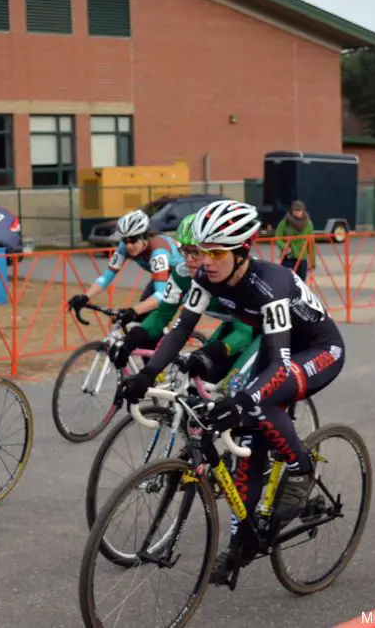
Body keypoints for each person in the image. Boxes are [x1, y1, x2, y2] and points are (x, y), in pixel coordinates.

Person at [115, 200, 345, 585]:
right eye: (202, 251)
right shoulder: (206, 278)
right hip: (278, 352)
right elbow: (179, 329)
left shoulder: (271, 285)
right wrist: (147, 375)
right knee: (247, 439)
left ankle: (300, 468)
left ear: (242, 252)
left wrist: (243, 401)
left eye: (217, 252)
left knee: (255, 403)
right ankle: (244, 542)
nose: (206, 261)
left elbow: (278, 363)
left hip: (318, 350)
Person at [109, 213, 256, 385]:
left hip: (263, 331)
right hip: (234, 325)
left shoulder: (237, 276)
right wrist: (132, 340)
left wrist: (210, 352)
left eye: (195, 252)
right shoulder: (182, 274)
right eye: (184, 251)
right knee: (198, 386)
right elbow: (162, 316)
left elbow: (245, 331)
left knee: (233, 389)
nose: (188, 259)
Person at [67, 209, 184, 333]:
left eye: (133, 240)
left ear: (144, 237)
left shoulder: (158, 252)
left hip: (183, 280)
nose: (128, 245)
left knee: (152, 321)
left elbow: (161, 295)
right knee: (138, 321)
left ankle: (167, 348)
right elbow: (106, 277)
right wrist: (85, 296)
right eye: (125, 240)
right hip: (164, 279)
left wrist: (134, 310)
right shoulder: (125, 248)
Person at [273, 200, 315, 281]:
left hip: (302, 258)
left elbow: (311, 244)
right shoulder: (285, 222)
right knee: (287, 281)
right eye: (295, 210)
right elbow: (277, 238)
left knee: (301, 283)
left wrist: (312, 261)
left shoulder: (308, 224)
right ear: (292, 211)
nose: (297, 212)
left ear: (303, 211)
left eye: (299, 210)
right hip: (288, 258)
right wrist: (285, 247)